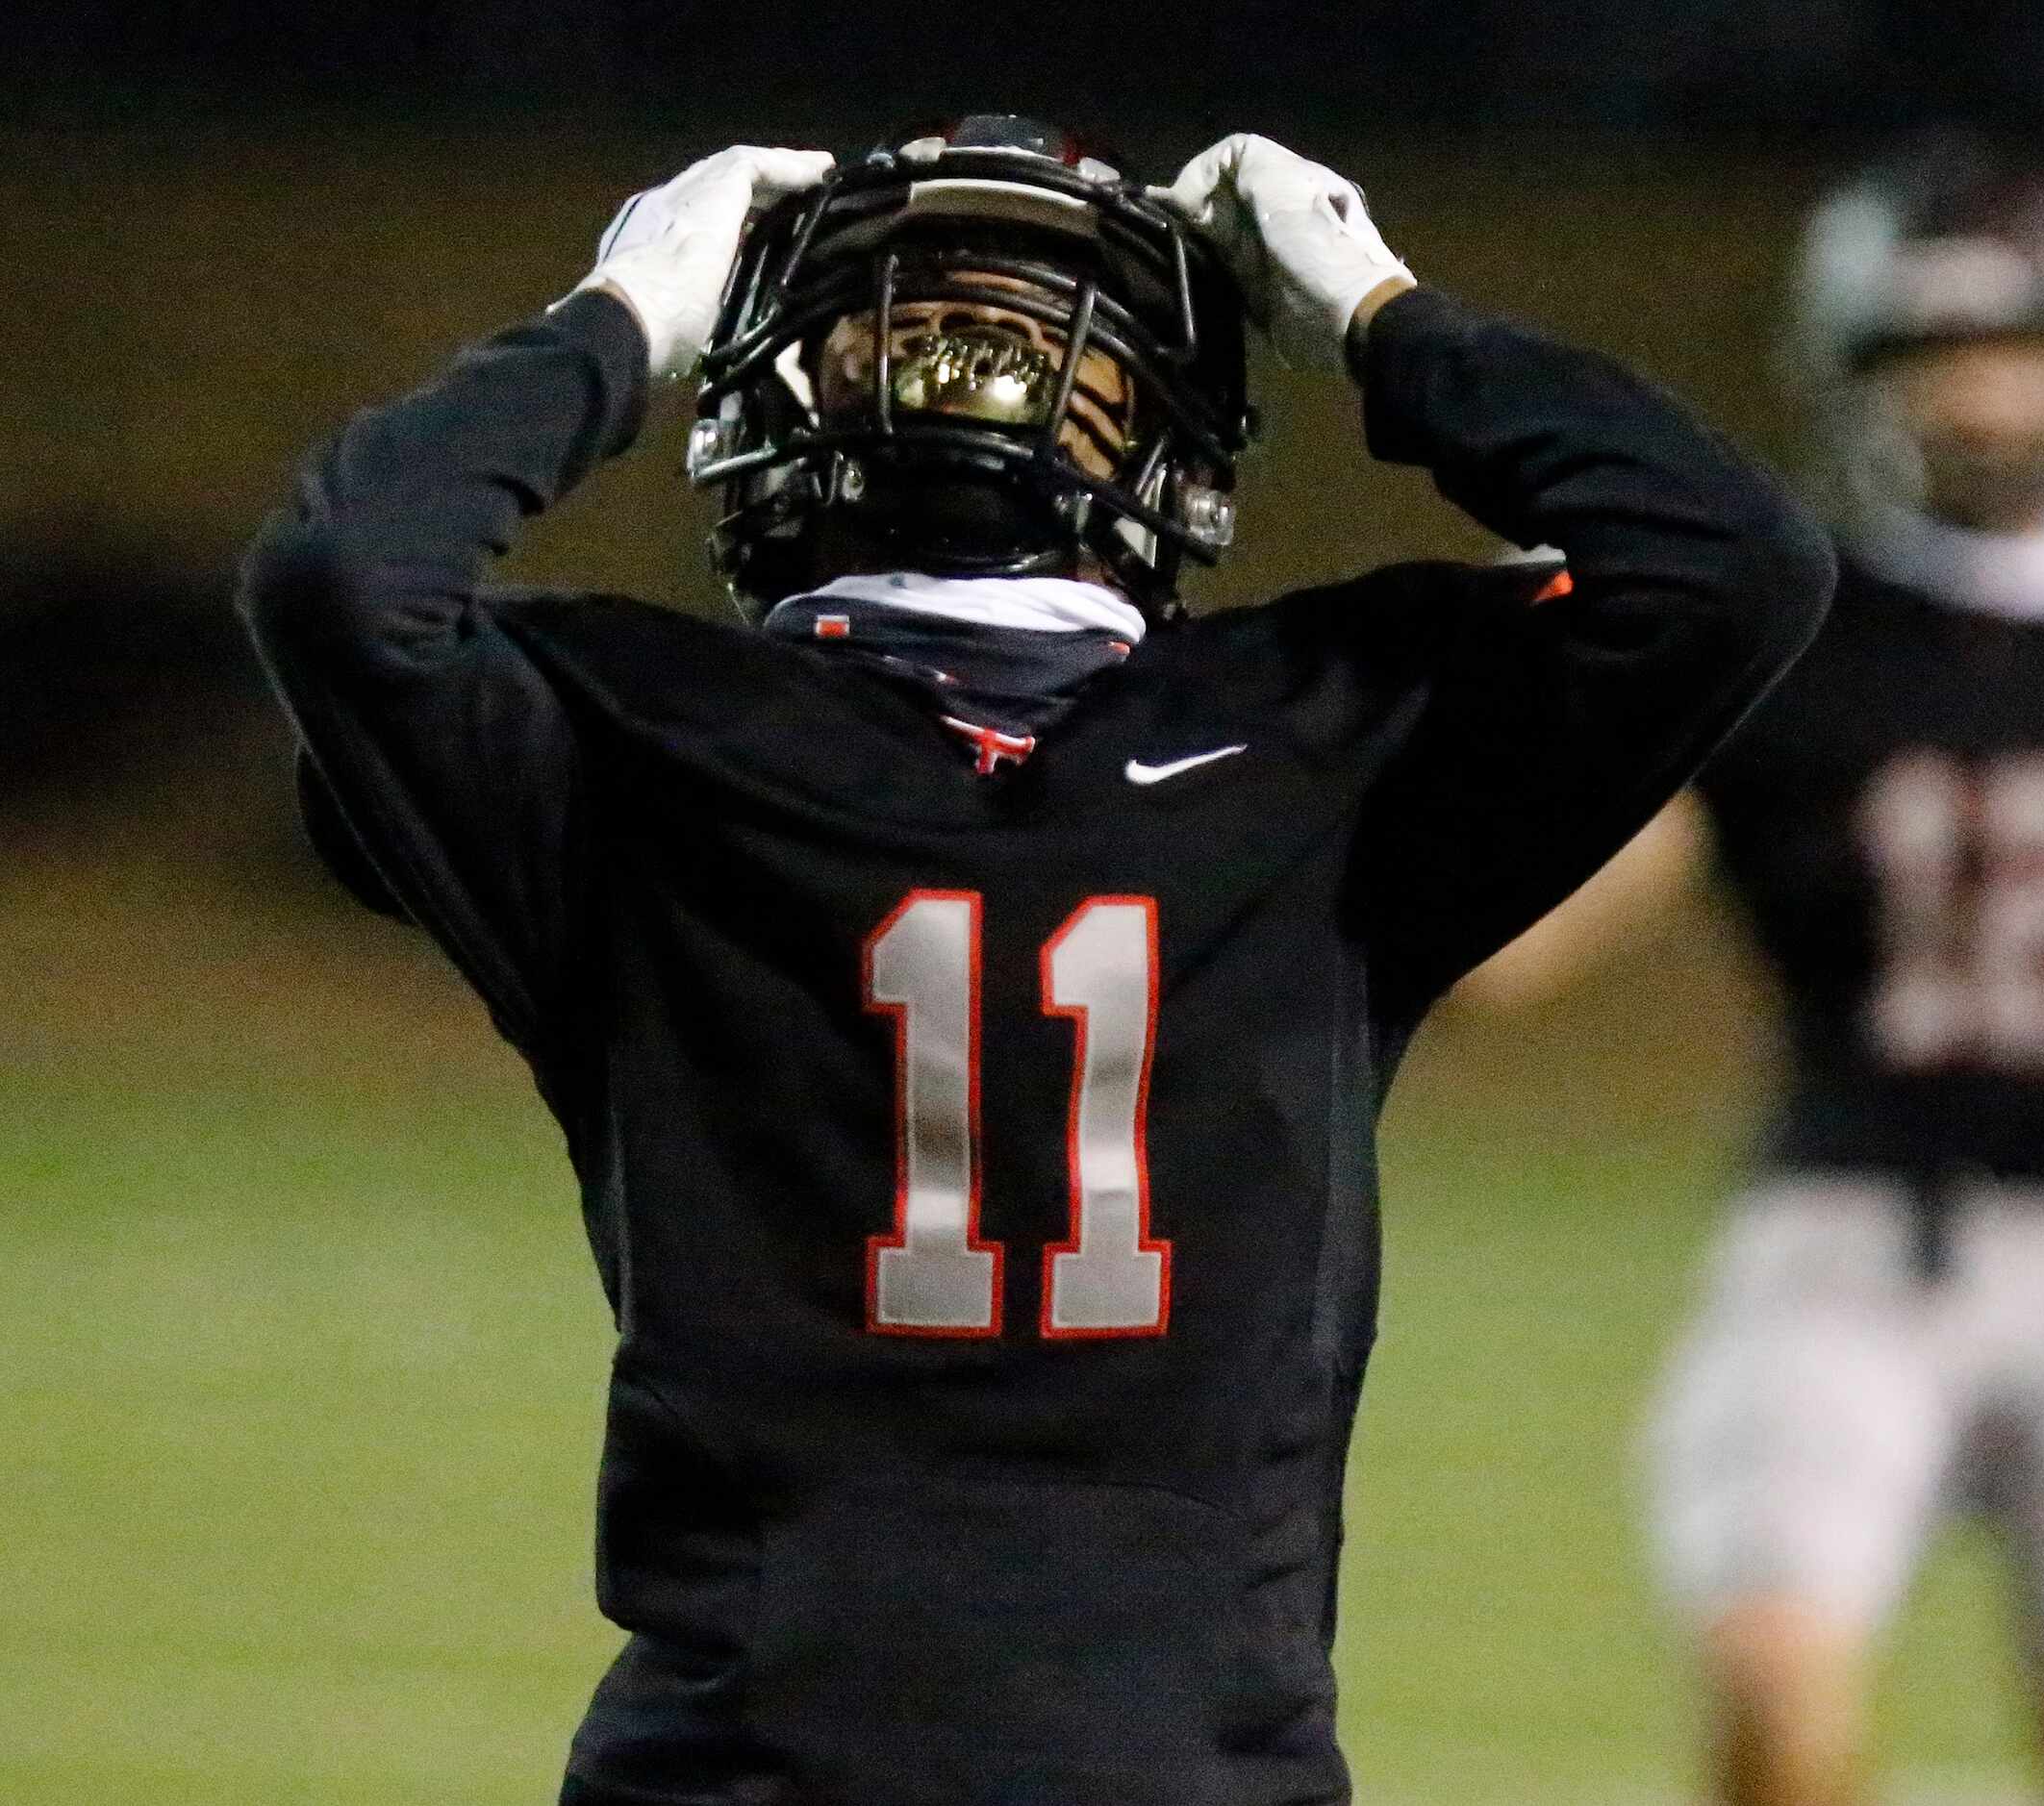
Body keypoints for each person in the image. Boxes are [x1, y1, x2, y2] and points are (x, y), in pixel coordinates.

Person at [236, 116, 1832, 1805]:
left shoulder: (629, 724)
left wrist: (616, 322)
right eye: (916, 329)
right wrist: (1375, 310)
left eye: (1035, 337)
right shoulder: (1327, 733)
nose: (981, 376)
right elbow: (1724, 559)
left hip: (765, 1762)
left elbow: (351, 573)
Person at [1467, 134, 2044, 1806]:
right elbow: (1502, 958)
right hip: (1846, 1232)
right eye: (1936, 359)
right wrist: (1517, 729)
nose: (1985, 402)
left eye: (2023, 352)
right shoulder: (1789, 634)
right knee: (1774, 1687)